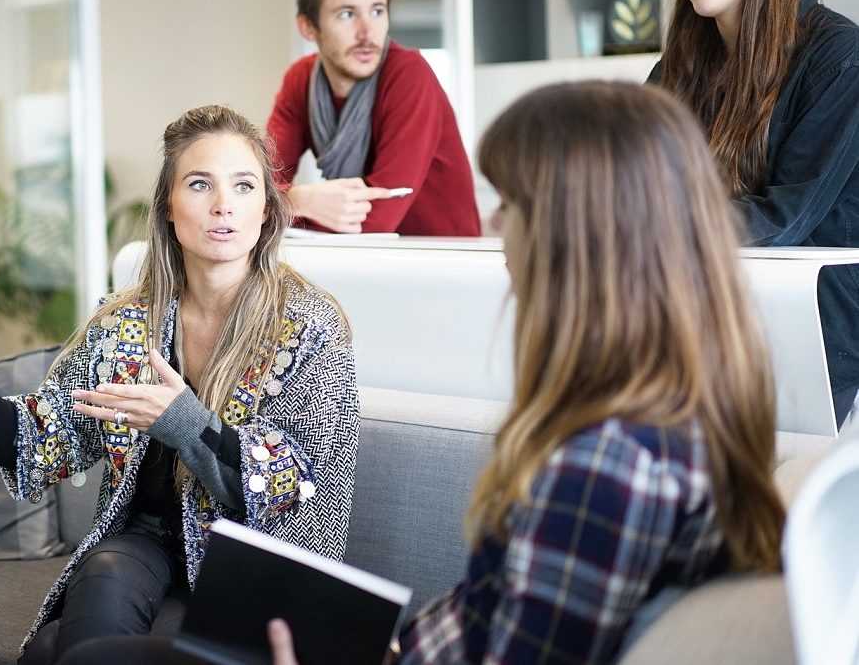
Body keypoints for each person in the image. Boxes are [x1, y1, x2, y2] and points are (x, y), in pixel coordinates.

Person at [63, 82, 786, 665]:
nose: (498, 228)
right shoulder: (671, 422)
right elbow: (494, 618)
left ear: (582, 237)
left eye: (513, 204)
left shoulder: (605, 468)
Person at [0, 105, 360, 663]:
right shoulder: (126, 322)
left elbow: (296, 489)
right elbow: (45, 434)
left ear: (266, 210)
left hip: (253, 564)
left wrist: (185, 423)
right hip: (146, 542)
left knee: (54, 648)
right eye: (200, 184)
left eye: (244, 186)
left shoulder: (311, 327)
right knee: (101, 578)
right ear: (168, 208)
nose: (223, 204)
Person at [650, 0, 859, 424]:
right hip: (708, 308)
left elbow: (786, 218)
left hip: (818, 324)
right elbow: (633, 177)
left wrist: (651, 225)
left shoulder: (840, 56)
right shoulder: (679, 68)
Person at [266, 0, 479, 236]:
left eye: (377, 11)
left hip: (441, 263)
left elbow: (377, 219)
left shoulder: (409, 75)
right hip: (363, 260)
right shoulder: (300, 80)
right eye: (346, 14)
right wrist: (298, 200)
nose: (367, 32)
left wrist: (284, 204)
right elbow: (256, 188)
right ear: (308, 27)